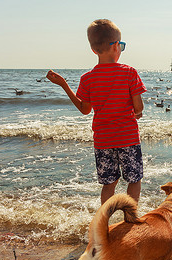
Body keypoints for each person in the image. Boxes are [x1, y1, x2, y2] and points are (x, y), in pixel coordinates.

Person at [46, 19, 146, 205]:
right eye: (121, 46)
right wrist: (137, 112)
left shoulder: (88, 78)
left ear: (93, 50)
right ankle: (130, 220)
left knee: (109, 185)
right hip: (128, 138)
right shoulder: (129, 72)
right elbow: (138, 108)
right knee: (133, 180)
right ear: (116, 46)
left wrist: (64, 85)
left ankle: (105, 222)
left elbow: (85, 110)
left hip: (103, 141)